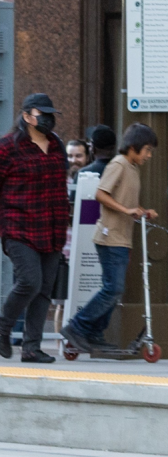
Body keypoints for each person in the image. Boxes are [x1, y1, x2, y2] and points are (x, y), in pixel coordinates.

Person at [0, 93, 69, 363]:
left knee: (44, 289)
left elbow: (60, 184)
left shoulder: (56, 144)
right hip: (19, 225)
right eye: (42, 114)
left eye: (50, 114)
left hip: (52, 226)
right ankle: (2, 326)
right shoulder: (6, 147)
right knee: (29, 280)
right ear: (26, 116)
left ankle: (31, 348)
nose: (47, 119)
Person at [61, 123, 159, 353]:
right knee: (112, 289)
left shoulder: (132, 168)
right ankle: (77, 327)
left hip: (121, 238)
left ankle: (94, 334)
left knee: (114, 290)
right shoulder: (119, 164)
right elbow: (100, 194)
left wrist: (140, 211)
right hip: (110, 237)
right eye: (147, 150)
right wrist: (127, 210)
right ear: (133, 147)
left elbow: (123, 201)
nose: (149, 155)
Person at [66, 139, 90, 203]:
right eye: (70, 156)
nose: (73, 160)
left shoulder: (92, 180)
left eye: (78, 156)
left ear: (87, 158)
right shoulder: (59, 180)